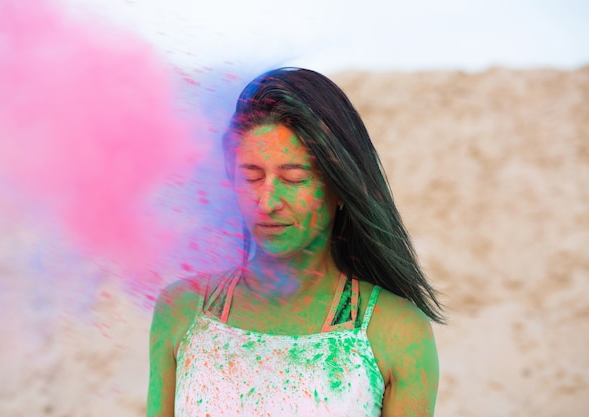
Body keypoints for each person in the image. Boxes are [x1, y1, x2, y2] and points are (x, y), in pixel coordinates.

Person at [147, 67, 444, 417]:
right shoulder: (182, 311)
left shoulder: (396, 332)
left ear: (341, 187)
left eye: (293, 177)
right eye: (251, 176)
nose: (267, 201)